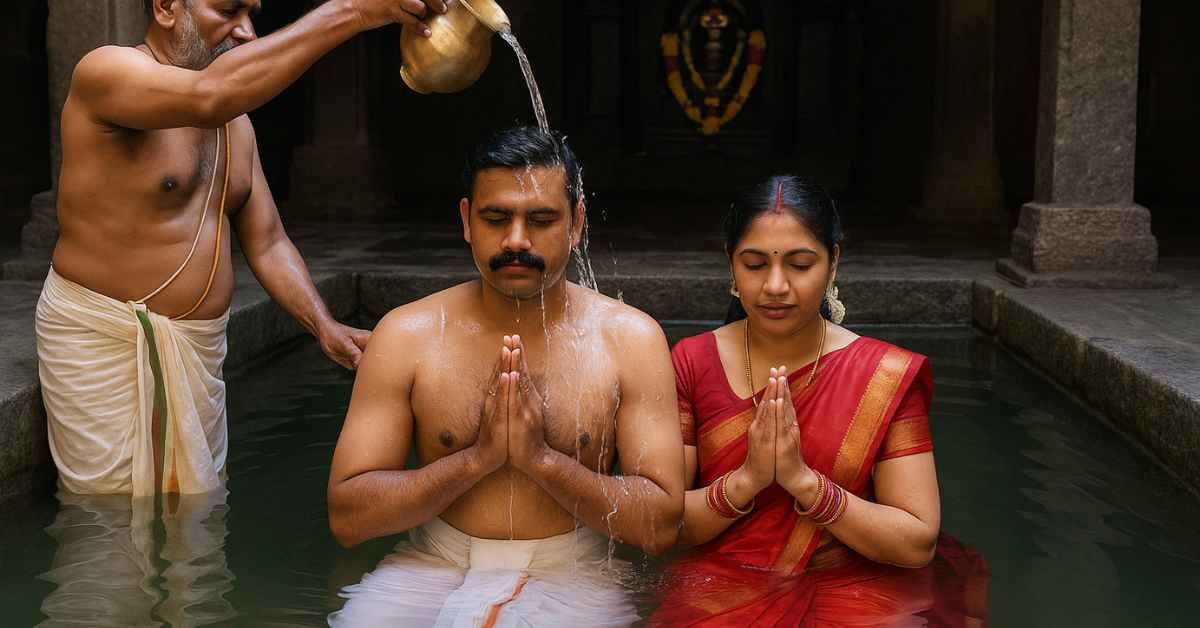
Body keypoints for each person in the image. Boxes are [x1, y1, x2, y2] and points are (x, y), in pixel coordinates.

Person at [35, 0, 450, 498]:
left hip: (199, 351)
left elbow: (269, 241)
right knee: (105, 527)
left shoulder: (235, 126)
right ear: (167, 7)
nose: (247, 33)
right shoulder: (106, 72)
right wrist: (357, 11)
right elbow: (210, 93)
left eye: (252, 14)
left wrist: (324, 325)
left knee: (197, 522)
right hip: (104, 343)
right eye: (229, 11)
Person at [325, 127, 685, 627]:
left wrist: (542, 461)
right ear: (467, 220)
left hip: (575, 569)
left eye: (541, 220)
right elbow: (348, 517)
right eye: (496, 218)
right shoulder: (407, 333)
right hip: (432, 562)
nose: (516, 240)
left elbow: (661, 525)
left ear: (577, 223)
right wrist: (477, 460)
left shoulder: (630, 338)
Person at [651, 176, 988, 627]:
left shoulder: (882, 374)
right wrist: (747, 480)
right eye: (754, 264)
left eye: (800, 264)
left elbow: (915, 542)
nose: (775, 285)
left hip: (858, 585)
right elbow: (664, 527)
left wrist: (805, 484)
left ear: (833, 264)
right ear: (730, 266)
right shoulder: (691, 361)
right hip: (721, 587)